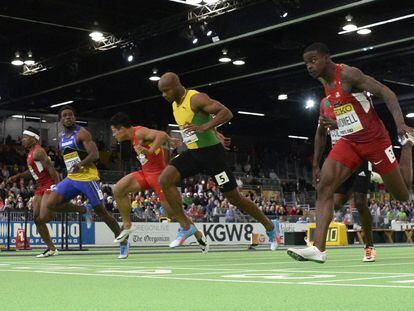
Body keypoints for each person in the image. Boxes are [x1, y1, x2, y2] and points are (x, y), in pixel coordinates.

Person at [287, 42, 414, 263]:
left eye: (313, 60)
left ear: (327, 57)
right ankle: (318, 248)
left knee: (401, 194)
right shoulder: (323, 83)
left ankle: (407, 145)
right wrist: (317, 161)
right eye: (306, 63)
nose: (309, 66)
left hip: (375, 141)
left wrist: (400, 124)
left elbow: (387, 92)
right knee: (324, 186)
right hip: (350, 142)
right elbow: (343, 119)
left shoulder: (348, 74)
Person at [158, 72, 280, 250]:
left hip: (213, 156)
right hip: (193, 153)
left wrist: (205, 128)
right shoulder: (175, 105)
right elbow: (200, 121)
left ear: (177, 86)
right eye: (161, 92)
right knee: (164, 180)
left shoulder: (196, 98)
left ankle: (270, 226)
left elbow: (226, 113)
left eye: (166, 91)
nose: (164, 95)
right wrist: (215, 132)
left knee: (234, 198)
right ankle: (186, 227)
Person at [109, 112, 209, 252]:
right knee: (118, 189)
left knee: (172, 212)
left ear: (121, 128)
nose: (114, 135)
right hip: (145, 173)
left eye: (114, 132)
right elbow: (160, 136)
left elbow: (160, 135)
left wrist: (150, 150)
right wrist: (170, 140)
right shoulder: (133, 136)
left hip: (158, 176)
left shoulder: (139, 133)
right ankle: (127, 225)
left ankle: (197, 234)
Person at [46, 105, 130, 259]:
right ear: (60, 120)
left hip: (88, 177)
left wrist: (80, 164)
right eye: (64, 116)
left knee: (102, 212)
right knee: (51, 204)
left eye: (70, 115)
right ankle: (83, 210)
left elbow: (95, 154)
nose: (68, 117)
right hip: (72, 178)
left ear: (75, 117)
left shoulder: (82, 133)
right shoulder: (61, 137)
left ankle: (123, 241)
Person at [313, 97, 376, 262]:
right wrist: (315, 164)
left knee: (360, 202)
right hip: (340, 159)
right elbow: (320, 133)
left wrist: (338, 124)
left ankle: (369, 246)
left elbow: (367, 124)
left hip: (361, 153)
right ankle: (317, 245)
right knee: (336, 203)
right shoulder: (325, 103)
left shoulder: (353, 97)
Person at [8, 127, 61, 258]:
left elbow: (51, 169)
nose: (23, 140)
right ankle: (51, 249)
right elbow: (32, 172)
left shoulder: (39, 152)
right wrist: (18, 176)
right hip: (40, 187)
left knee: (44, 217)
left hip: (49, 185)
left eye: (26, 137)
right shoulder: (31, 153)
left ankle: (66, 207)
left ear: (34, 139)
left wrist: (58, 188)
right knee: (37, 219)